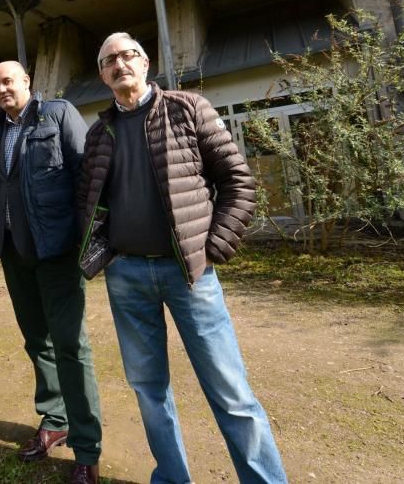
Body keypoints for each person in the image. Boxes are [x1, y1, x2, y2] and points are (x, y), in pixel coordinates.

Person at [77, 32, 287, 483]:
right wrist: (100, 253)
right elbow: (88, 201)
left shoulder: (188, 108)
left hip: (189, 274)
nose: (119, 64)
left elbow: (238, 181)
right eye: (109, 59)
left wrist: (213, 247)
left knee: (231, 394)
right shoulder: (99, 133)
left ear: (146, 62)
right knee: (149, 391)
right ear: (102, 75)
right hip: (127, 276)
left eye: (128, 54)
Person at [0, 61, 103, 484]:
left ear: (27, 82)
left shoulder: (59, 114)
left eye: (8, 81)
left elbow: (88, 178)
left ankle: (86, 449)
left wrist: (89, 242)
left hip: (56, 252)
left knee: (70, 345)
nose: (1, 89)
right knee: (37, 341)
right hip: (15, 255)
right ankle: (54, 420)